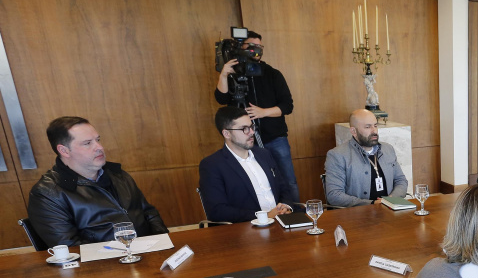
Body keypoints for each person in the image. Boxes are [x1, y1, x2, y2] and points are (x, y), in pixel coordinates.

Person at [27, 116, 167, 247]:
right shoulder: (47, 193)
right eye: (87, 143)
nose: (99, 147)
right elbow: (69, 247)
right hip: (104, 266)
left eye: (98, 140)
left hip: (148, 252)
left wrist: (163, 244)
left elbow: (149, 213)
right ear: (64, 150)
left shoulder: (118, 174)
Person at [215, 31, 299, 202]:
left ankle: (293, 212)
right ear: (241, 48)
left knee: (288, 180)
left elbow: (287, 106)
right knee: (255, 182)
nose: (256, 50)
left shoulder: (273, 74)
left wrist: (263, 112)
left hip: (275, 137)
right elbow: (221, 99)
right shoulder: (233, 74)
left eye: (259, 47)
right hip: (244, 139)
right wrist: (224, 74)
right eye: (251, 46)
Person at [198, 106, 296, 223]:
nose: (252, 132)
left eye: (251, 126)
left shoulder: (264, 154)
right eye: (244, 129)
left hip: (282, 221)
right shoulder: (212, 165)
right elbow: (217, 211)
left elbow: (283, 188)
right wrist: (264, 215)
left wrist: (285, 206)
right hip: (246, 229)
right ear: (227, 134)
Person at [325, 109, 408, 207]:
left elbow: (401, 180)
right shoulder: (338, 155)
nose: (374, 131)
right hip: (357, 215)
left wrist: (391, 199)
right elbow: (334, 195)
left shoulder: (387, 149)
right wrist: (372, 203)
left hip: (390, 209)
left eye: (375, 125)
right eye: (368, 127)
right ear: (353, 131)